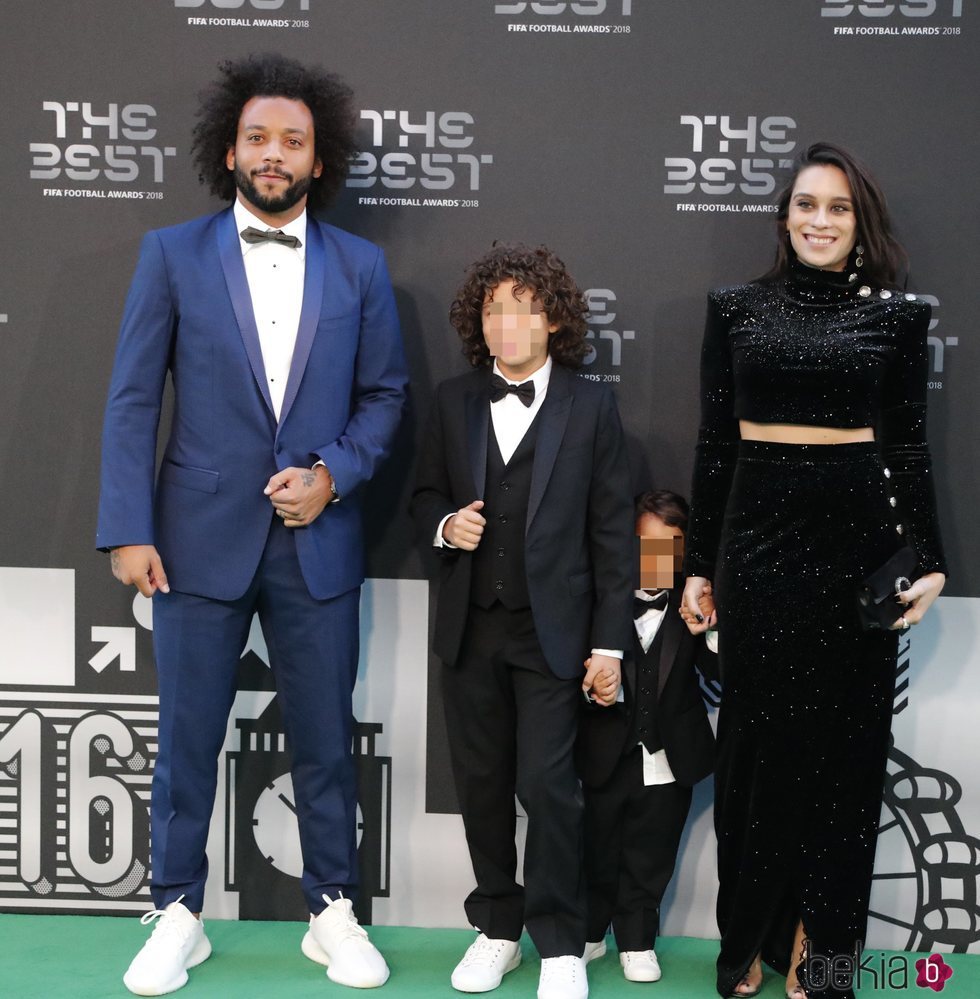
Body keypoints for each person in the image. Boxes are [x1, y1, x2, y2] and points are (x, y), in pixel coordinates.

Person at [96, 53, 407, 995]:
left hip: (319, 542)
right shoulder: (171, 254)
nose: (275, 155)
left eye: (295, 142)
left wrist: (332, 477)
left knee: (324, 735)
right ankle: (176, 910)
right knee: (187, 733)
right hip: (191, 540)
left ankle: (332, 909)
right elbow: (131, 400)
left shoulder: (361, 264)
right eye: (261, 138)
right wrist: (126, 528)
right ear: (229, 147)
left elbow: (386, 398)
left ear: (321, 160)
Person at [680, 142, 946, 999]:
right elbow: (716, 444)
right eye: (805, 205)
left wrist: (928, 560)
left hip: (858, 556)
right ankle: (746, 938)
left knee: (845, 766)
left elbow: (908, 445)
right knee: (758, 760)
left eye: (835, 208)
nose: (818, 221)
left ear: (858, 223)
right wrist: (694, 565)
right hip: (757, 552)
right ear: (784, 216)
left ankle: (825, 954)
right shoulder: (735, 308)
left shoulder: (901, 319)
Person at [410, 243, 633, 999]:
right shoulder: (451, 400)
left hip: (554, 634)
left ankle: (561, 940)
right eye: (495, 307)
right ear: (480, 320)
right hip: (470, 628)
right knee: (481, 785)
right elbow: (420, 499)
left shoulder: (592, 406)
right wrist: (445, 528)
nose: (509, 321)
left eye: (525, 306)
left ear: (554, 318)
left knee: (548, 785)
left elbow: (612, 536)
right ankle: (497, 928)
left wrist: (610, 642)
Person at [577, 489, 717, 984]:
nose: (656, 560)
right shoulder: (596, 600)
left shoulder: (695, 603)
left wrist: (712, 632)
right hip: (603, 750)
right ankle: (589, 933)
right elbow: (564, 671)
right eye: (645, 546)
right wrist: (594, 690)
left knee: (651, 852)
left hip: (669, 753)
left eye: (670, 549)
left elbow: (723, 674)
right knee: (595, 846)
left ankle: (637, 940)